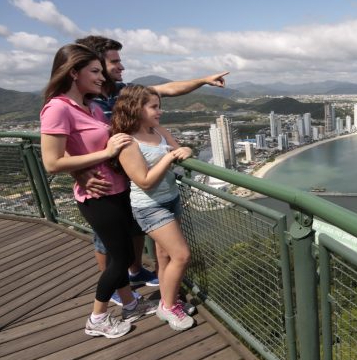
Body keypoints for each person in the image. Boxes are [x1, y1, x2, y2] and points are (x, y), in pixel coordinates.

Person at [73, 35, 229, 307]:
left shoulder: (124, 91)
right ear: (94, 63)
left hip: (130, 176)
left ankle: (134, 272)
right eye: (114, 62)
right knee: (107, 240)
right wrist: (79, 173)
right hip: (104, 180)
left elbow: (168, 89)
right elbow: (68, 141)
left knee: (135, 230)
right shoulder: (83, 99)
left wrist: (203, 80)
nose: (121, 66)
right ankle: (112, 286)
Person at [39, 44, 157, 338]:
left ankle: (130, 304)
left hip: (116, 188)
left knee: (124, 253)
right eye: (94, 71)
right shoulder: (57, 108)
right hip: (97, 197)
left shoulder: (90, 106)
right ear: (73, 72)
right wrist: (104, 154)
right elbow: (52, 162)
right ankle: (97, 318)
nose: (101, 77)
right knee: (118, 260)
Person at [112, 85, 194, 330]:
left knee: (164, 255)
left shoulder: (158, 130)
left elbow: (180, 149)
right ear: (136, 108)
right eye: (154, 106)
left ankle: (170, 299)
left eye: (159, 106)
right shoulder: (128, 142)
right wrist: (168, 157)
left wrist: (185, 150)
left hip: (171, 198)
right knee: (182, 255)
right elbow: (144, 181)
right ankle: (168, 307)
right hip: (150, 206)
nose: (159, 111)